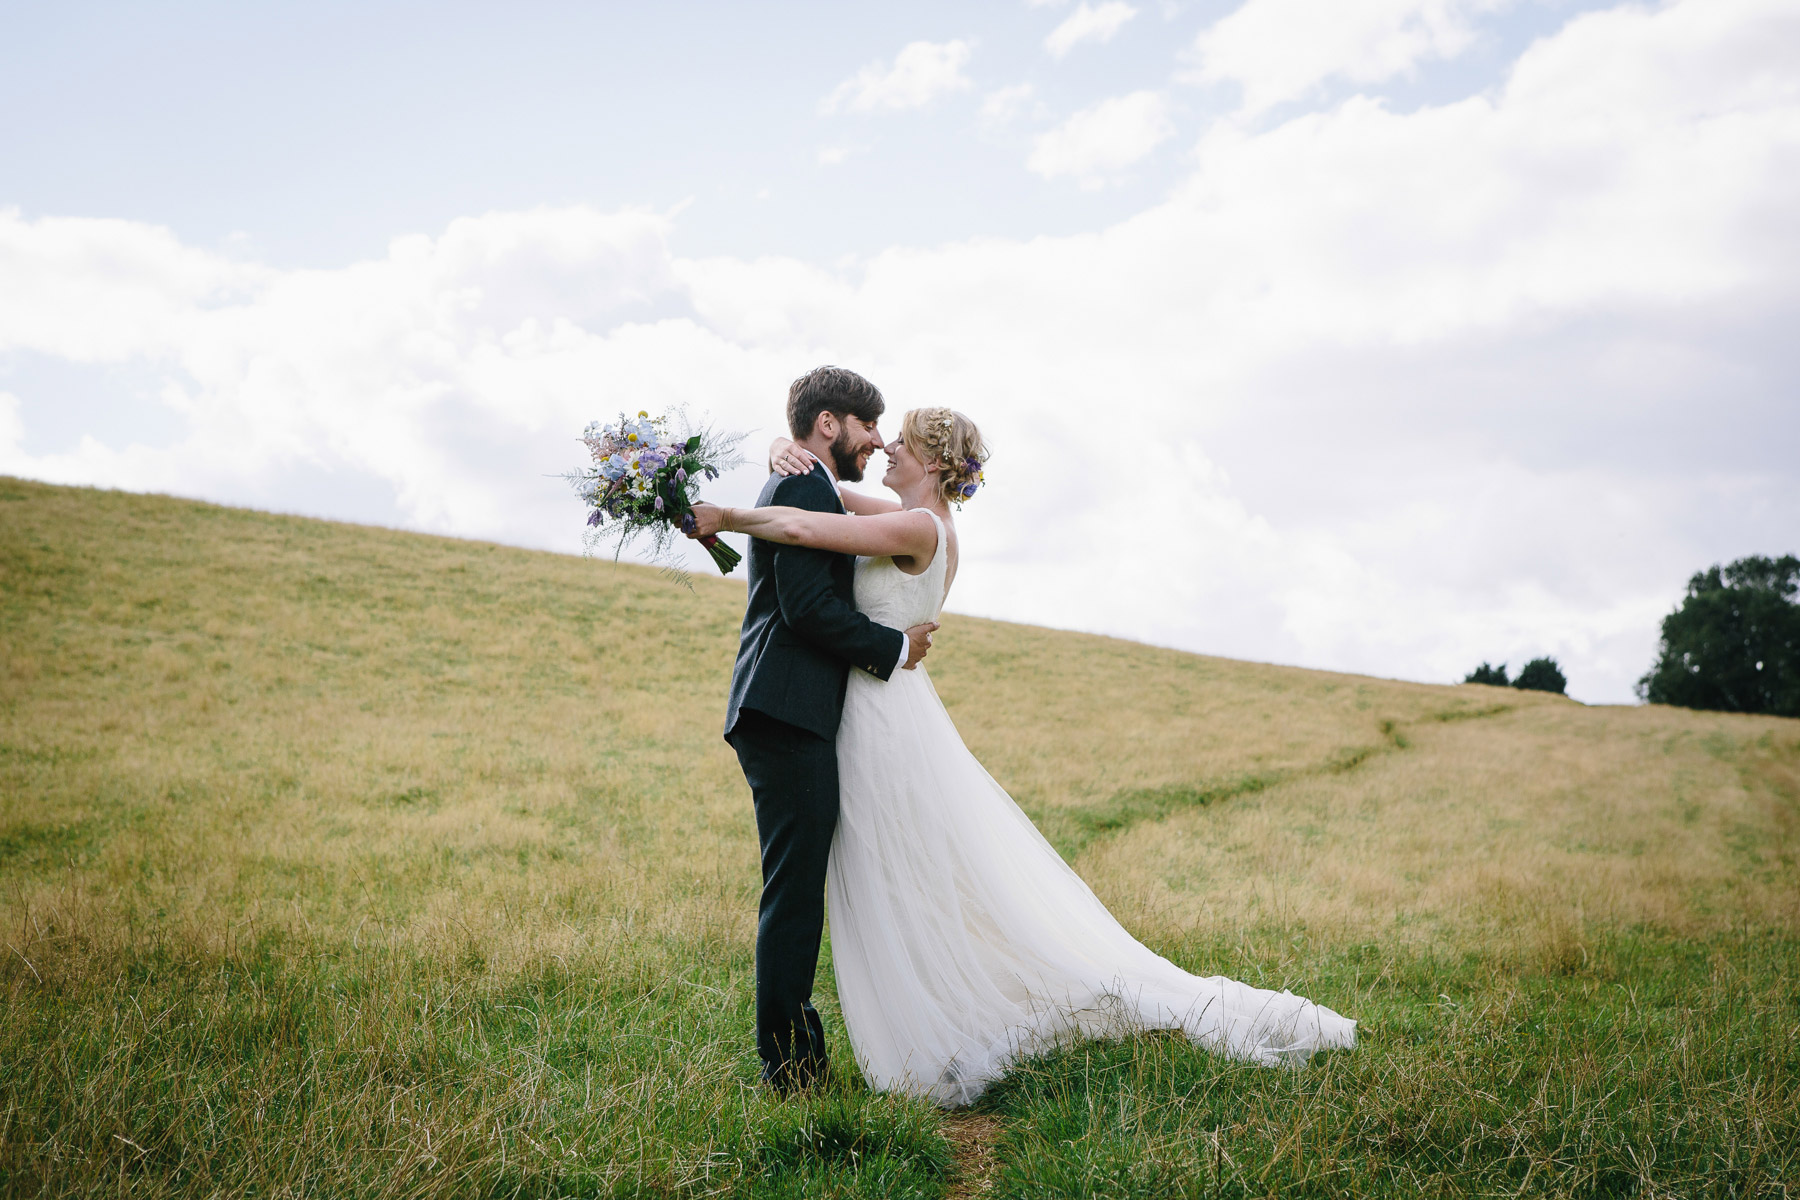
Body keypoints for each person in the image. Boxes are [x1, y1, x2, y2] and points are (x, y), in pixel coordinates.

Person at [693, 397, 1357, 1106]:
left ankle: (932, 1022)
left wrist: (724, 517)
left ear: (936, 463)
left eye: (905, 443)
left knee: (901, 877)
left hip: (881, 716)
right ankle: (911, 1017)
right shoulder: (912, 519)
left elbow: (801, 522)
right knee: (894, 877)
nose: (888, 448)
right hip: (869, 707)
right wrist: (776, 447)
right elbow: (820, 498)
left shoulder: (918, 525)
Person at [717, 366, 940, 1096]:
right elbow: (808, 608)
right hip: (786, 710)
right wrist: (893, 648)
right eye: (867, 424)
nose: (876, 439)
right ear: (828, 424)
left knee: (799, 887)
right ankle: (791, 1072)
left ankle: (798, 1056)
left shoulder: (806, 478)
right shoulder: (804, 485)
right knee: (794, 892)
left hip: (786, 709)